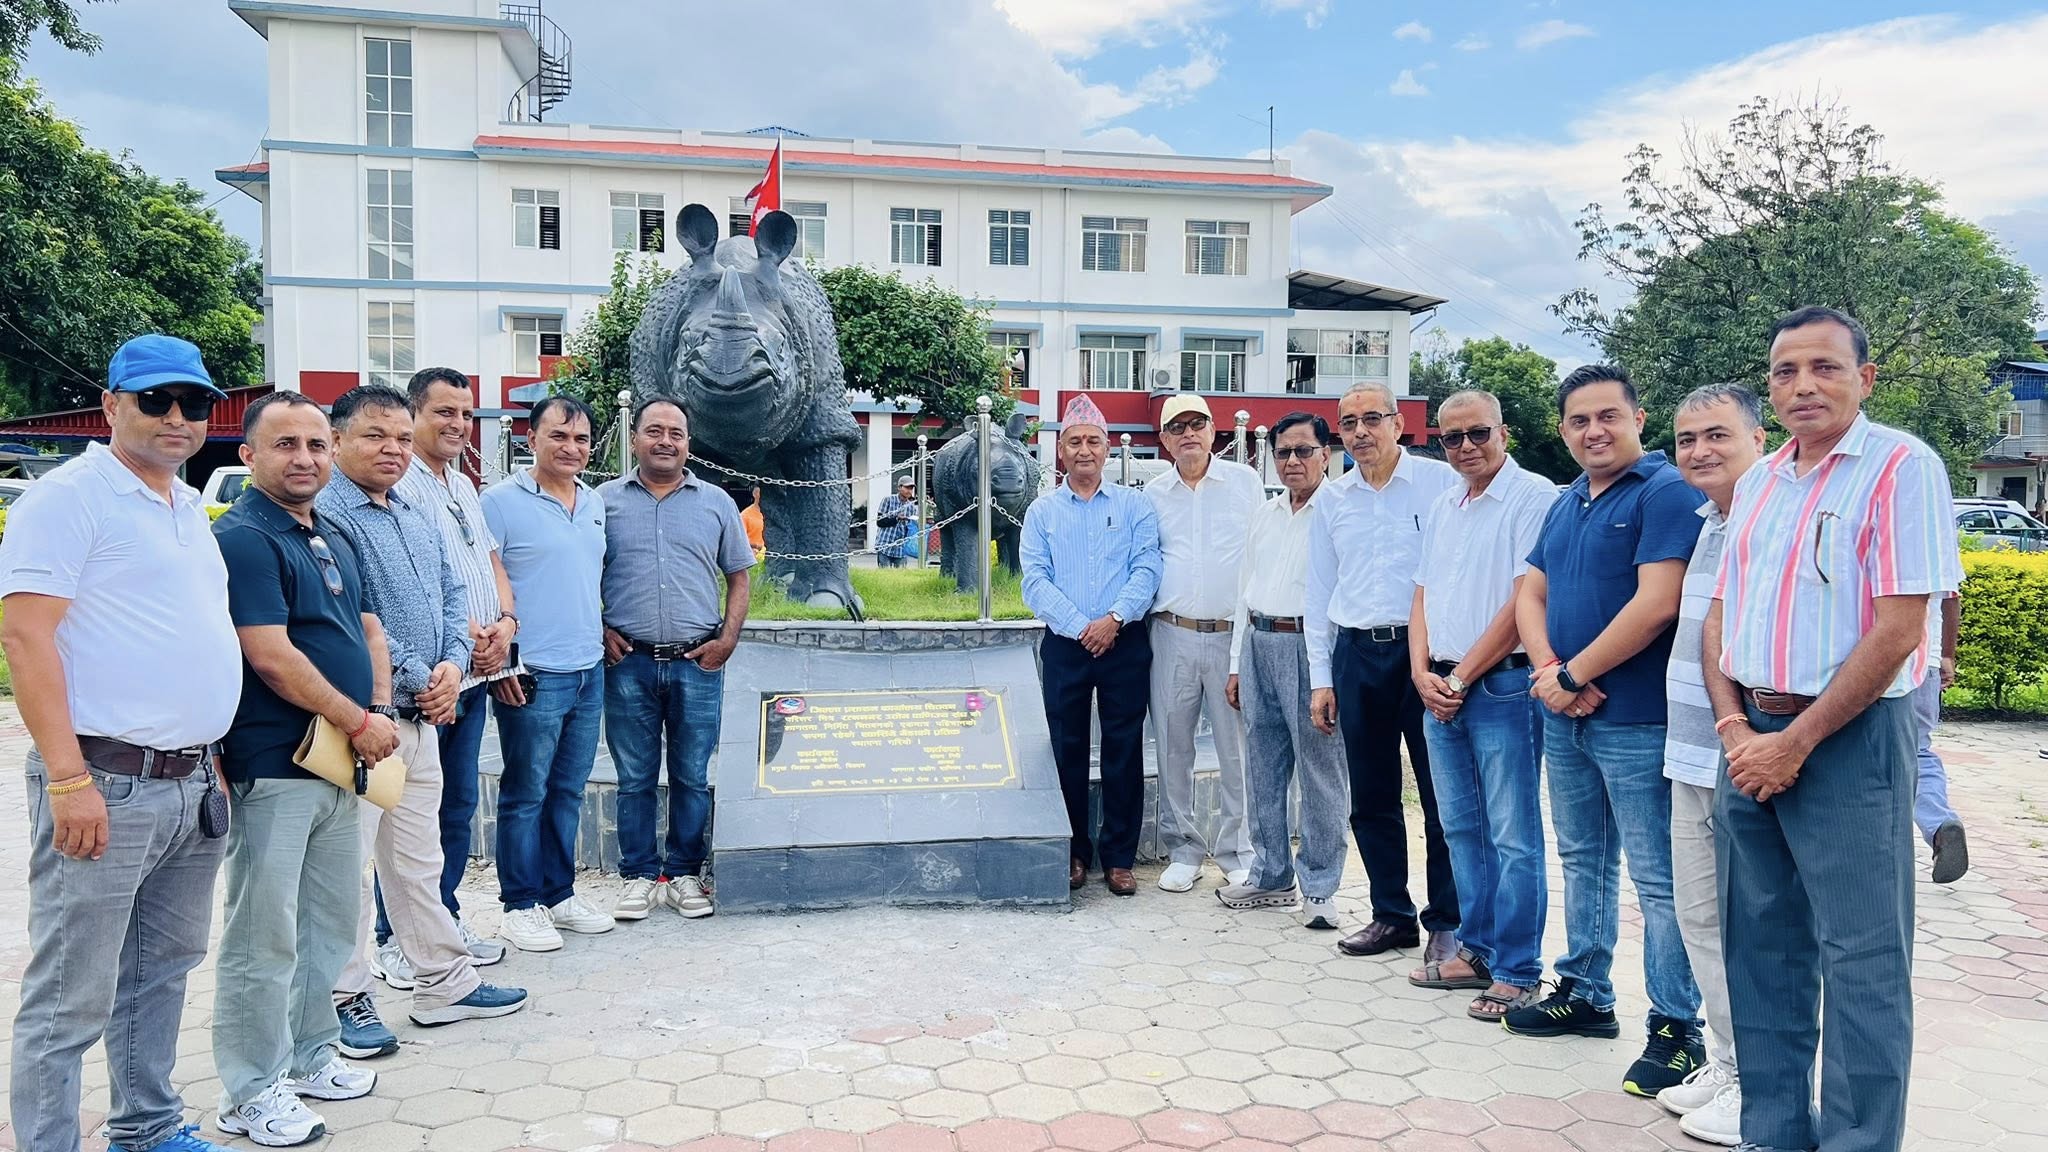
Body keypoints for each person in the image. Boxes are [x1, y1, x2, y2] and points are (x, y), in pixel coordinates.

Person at [1702, 307, 1960, 1152]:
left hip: (1848, 742)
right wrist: (1735, 726)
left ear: (1865, 378)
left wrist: (1797, 742)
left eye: (1825, 367)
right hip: (1750, 741)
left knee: (1862, 959)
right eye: (1785, 371)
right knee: (1761, 950)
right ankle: (1773, 1133)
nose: (1803, 385)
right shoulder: (1762, 481)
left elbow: (1900, 628)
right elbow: (1721, 615)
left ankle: (1858, 1141)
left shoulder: (1900, 466)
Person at [0, 335, 243, 1152]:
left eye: (194, 403)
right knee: (71, 995)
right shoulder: (68, 499)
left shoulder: (186, 505)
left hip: (191, 783)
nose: (177, 417)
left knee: (161, 971)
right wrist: (68, 780)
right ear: (110, 405)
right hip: (105, 783)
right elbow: (25, 638)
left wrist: (210, 759)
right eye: (155, 400)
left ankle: (146, 1126)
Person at [1507, 364, 1706, 1100]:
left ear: (1638, 419)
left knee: (1658, 878)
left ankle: (1677, 1027)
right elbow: (1531, 593)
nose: (1594, 431)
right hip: (1568, 716)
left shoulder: (1665, 491)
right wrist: (1551, 672)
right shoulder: (1568, 502)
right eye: (1579, 420)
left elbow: (1658, 603)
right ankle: (1586, 992)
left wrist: (1572, 674)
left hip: (1639, 720)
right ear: (1563, 430)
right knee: (1584, 859)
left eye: (1608, 416)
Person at [318, 385, 527, 1049]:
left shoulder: (412, 507)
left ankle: (445, 983)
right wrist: (424, 677)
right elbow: (357, 619)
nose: (393, 450)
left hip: (423, 716)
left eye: (401, 438)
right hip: (365, 723)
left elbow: (450, 592)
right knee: (348, 870)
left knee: (415, 860)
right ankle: (343, 998)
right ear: (338, 439)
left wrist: (453, 666)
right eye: (375, 436)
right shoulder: (328, 513)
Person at [211, 391, 386, 1146]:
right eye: (286, 444)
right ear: (248, 455)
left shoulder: (332, 532)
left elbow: (367, 629)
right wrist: (360, 721)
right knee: (263, 935)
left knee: (327, 924)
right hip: (275, 763)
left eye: (316, 444)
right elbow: (270, 656)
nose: (305, 458)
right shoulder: (244, 538)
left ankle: (313, 1056)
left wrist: (376, 710)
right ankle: (252, 1090)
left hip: (340, 762)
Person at [1406, 390, 1558, 1022]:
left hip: (1501, 688)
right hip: (1440, 688)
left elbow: (1526, 602)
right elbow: (1421, 593)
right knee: (1461, 828)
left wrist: (1462, 677)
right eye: (1452, 437)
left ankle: (1518, 970)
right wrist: (1420, 672)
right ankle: (1478, 950)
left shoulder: (1533, 497)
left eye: (1478, 433)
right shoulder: (1446, 503)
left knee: (1513, 835)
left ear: (1504, 432)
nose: (1465, 446)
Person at [1305, 382, 1459, 959]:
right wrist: (1322, 678)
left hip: (1425, 657)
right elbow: (1318, 591)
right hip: (1355, 654)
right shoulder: (1333, 499)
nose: (1360, 431)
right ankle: (1391, 914)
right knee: (1370, 794)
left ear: (1398, 423)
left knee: (1440, 794)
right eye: (1348, 423)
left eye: (1372, 418)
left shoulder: (1440, 484)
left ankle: (1448, 920)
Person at [1654, 383, 1769, 1144]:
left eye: (1717, 435)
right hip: (1690, 752)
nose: (1700, 451)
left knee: (1752, 931)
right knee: (1700, 919)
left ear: (1758, 439)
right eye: (1688, 439)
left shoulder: (1769, 517)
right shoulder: (1709, 522)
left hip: (1743, 754)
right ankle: (1726, 1064)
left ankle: (1761, 1083)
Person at [378, 367, 519, 974]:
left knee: (456, 806)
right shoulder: (398, 483)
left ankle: (443, 918)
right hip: (429, 683)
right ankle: (394, 938)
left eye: (465, 413)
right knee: (409, 816)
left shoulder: (462, 483)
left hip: (475, 674)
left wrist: (506, 625)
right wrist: (464, 645)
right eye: (444, 412)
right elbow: (413, 588)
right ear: (413, 415)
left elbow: (489, 562)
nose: (459, 424)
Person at [599, 399, 753, 921]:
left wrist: (727, 639)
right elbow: (580, 573)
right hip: (628, 663)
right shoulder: (602, 502)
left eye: (676, 433)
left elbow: (739, 576)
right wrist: (599, 628)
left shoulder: (716, 503)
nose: (665, 441)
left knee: (691, 773)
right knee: (634, 776)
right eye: (654, 431)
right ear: (635, 438)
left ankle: (684, 873)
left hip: (697, 662)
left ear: (688, 442)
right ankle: (639, 875)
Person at [482, 395, 613, 951]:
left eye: (581, 439)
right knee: (525, 791)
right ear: (531, 438)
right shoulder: (499, 503)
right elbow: (485, 586)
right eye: (558, 436)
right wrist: (502, 664)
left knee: (568, 789)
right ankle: (519, 904)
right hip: (533, 673)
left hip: (588, 670)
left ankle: (559, 894)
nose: (570, 448)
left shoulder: (594, 502)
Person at [1022, 394, 1162, 897]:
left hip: (1124, 641)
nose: (1085, 450)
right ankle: (1073, 852)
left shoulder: (1134, 506)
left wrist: (1114, 619)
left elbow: (1148, 567)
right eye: (1075, 442)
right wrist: (1084, 626)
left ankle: (1119, 858)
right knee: (1067, 748)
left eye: (1094, 441)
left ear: (1108, 448)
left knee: (1124, 748)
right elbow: (1034, 580)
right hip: (1067, 645)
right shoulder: (1042, 512)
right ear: (1061, 451)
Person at [1219, 413, 1348, 929]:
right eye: (1283, 452)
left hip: (1310, 649)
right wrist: (1236, 663)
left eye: (1303, 450)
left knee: (1320, 771)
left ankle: (1319, 886)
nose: (1292, 461)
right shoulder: (1265, 514)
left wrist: (1326, 674)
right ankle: (1270, 874)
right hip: (1258, 641)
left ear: (1325, 455)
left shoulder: (1339, 511)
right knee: (1264, 765)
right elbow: (1243, 589)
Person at [1144, 395, 1263, 892]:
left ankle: (1238, 850)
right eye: (1177, 427)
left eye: (1197, 424)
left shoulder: (1245, 483)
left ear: (1214, 430)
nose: (1188, 433)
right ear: (1164, 439)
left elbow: (1260, 554)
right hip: (1171, 633)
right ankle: (1184, 849)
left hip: (1231, 634)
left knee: (1237, 749)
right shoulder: (1153, 493)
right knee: (1173, 746)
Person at [1915, 593, 1969, 882]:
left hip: (1871, 662)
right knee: (1917, 753)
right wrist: (1946, 654)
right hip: (1926, 663)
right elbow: (1951, 598)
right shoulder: (1938, 558)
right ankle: (1939, 824)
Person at [876, 475, 918, 568]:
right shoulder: (888, 500)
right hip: (885, 544)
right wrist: (896, 519)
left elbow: (911, 528)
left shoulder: (911, 507)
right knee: (884, 574)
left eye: (911, 488)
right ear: (899, 487)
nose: (909, 491)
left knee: (901, 575)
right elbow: (879, 522)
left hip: (901, 549)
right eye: (907, 487)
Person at [742, 487, 766, 561]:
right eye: (760, 492)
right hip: (754, 555)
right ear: (754, 494)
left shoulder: (777, 516)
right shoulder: (745, 515)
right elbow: (739, 540)